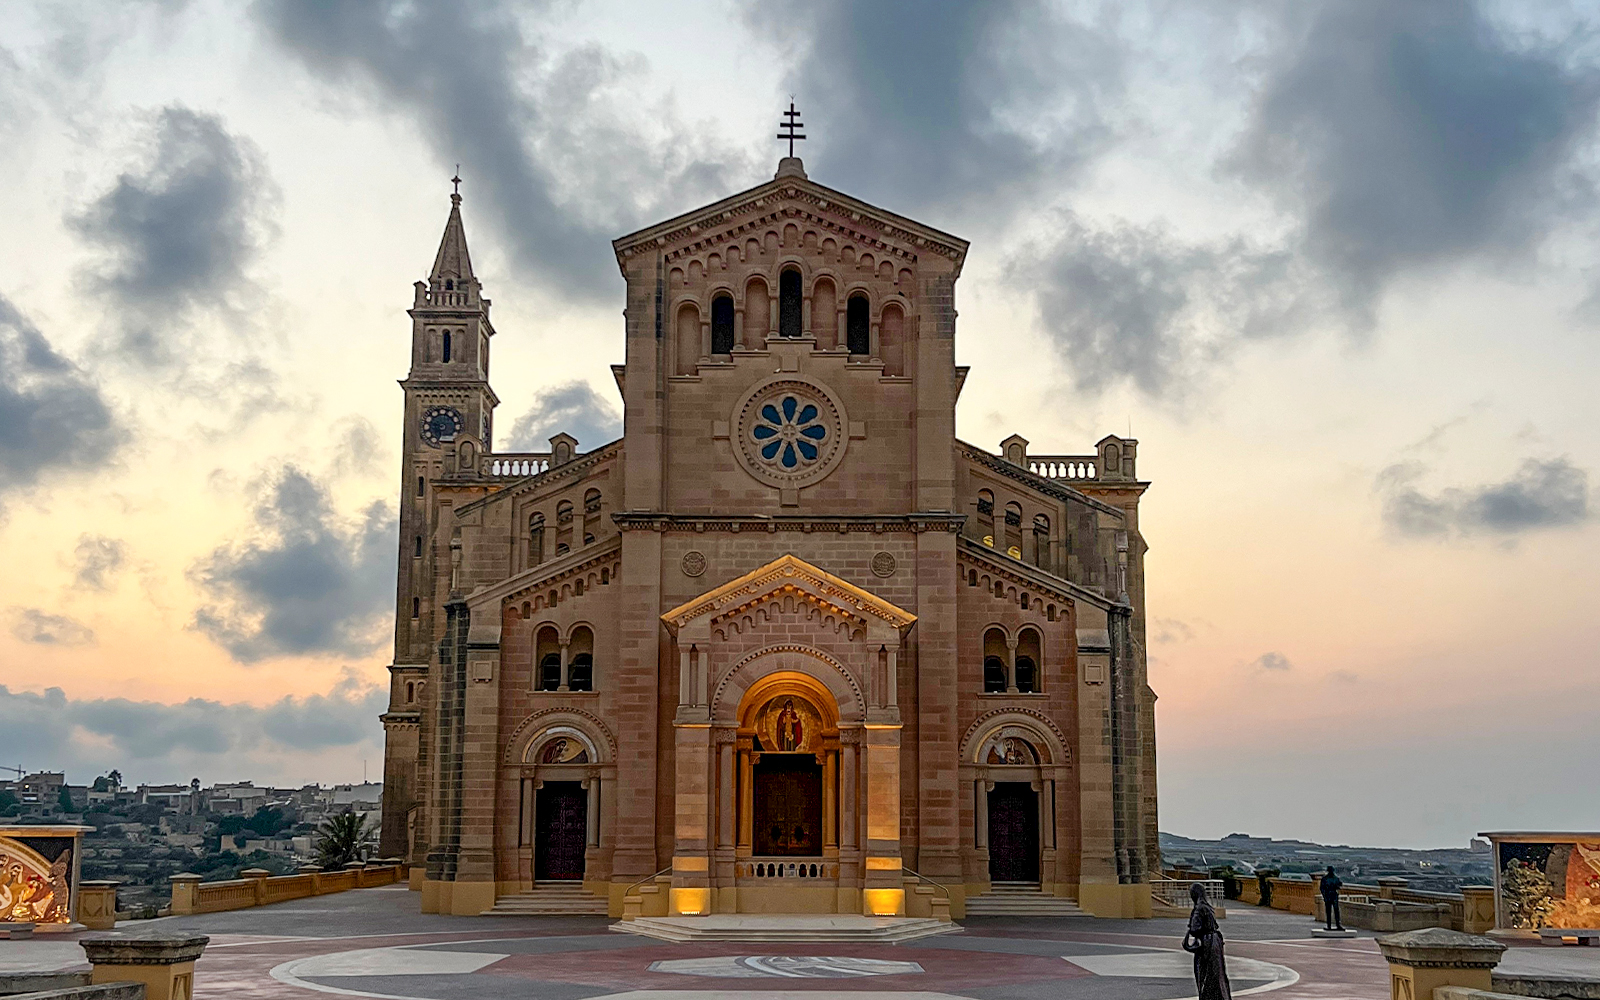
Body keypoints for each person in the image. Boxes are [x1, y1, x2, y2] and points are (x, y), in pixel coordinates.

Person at [1182, 881, 1232, 1000]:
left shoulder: (1199, 908)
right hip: (1215, 942)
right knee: (1217, 973)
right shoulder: (1208, 907)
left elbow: (1195, 929)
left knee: (1205, 975)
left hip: (1206, 944)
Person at [1321, 865, 1344, 931]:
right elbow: (1322, 889)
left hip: (1333, 896)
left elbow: (1339, 884)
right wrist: (1324, 896)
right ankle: (1329, 925)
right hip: (1329, 896)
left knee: (1336, 911)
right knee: (1329, 911)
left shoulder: (1334, 878)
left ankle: (1337, 925)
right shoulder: (1325, 879)